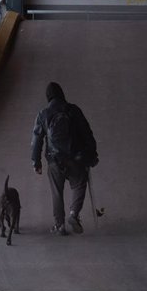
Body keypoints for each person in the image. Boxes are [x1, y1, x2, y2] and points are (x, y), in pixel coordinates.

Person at [31, 82, 98, 235]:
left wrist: (36, 162)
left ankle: (59, 225)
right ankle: (74, 214)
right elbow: (87, 133)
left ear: (48, 97)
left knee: (57, 191)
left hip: (55, 160)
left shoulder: (43, 114)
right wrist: (92, 155)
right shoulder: (74, 110)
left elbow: (36, 139)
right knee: (80, 184)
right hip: (76, 157)